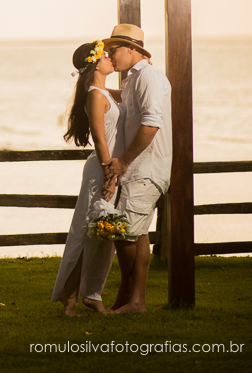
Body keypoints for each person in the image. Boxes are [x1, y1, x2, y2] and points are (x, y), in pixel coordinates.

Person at [102, 24, 172, 315]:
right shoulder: (133, 80)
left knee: (128, 233)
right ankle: (131, 300)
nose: (109, 54)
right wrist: (94, 86)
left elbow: (151, 124)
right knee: (135, 234)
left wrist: (124, 161)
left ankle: (135, 301)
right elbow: (124, 101)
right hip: (137, 168)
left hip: (146, 168)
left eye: (114, 49)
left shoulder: (150, 77)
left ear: (133, 49)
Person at [51, 38, 124, 316]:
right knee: (88, 234)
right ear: (95, 64)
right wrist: (109, 172)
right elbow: (99, 137)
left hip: (108, 169)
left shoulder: (103, 92)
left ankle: (88, 294)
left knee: (99, 236)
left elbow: (132, 94)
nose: (111, 58)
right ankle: (71, 296)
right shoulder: (95, 95)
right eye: (106, 56)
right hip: (101, 171)